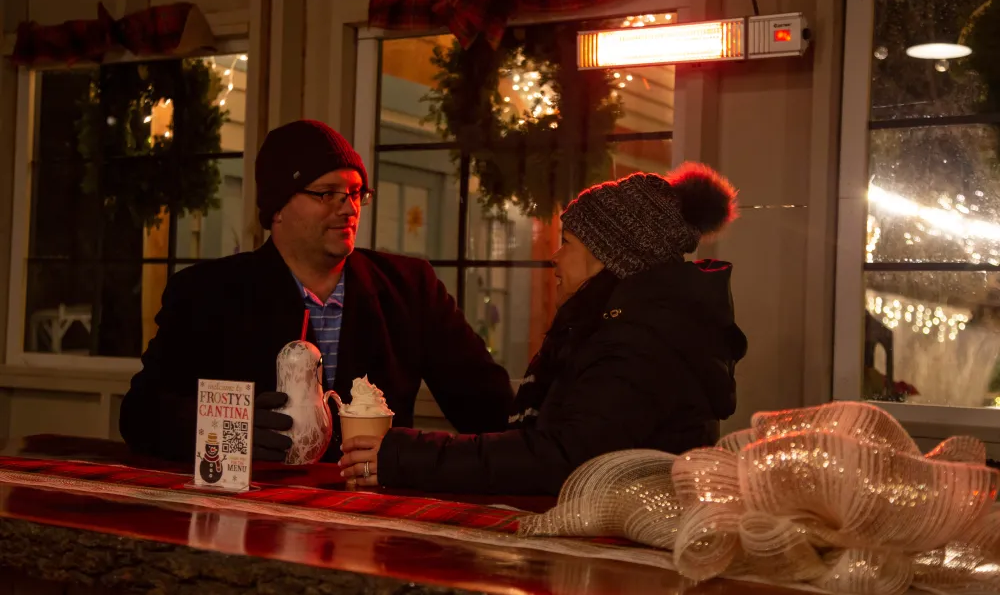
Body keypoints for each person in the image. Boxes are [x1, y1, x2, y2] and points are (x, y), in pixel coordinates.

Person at [339, 163, 748, 495]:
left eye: (567, 242)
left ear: (611, 257)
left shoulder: (641, 342)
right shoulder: (617, 328)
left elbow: (562, 458)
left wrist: (405, 455)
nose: (555, 256)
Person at [119, 120, 514, 463]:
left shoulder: (410, 288)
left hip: (370, 516)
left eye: (356, 193)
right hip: (254, 515)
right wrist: (230, 429)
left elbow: (490, 409)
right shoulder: (207, 293)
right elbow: (141, 414)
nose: (348, 208)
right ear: (277, 208)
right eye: (327, 193)